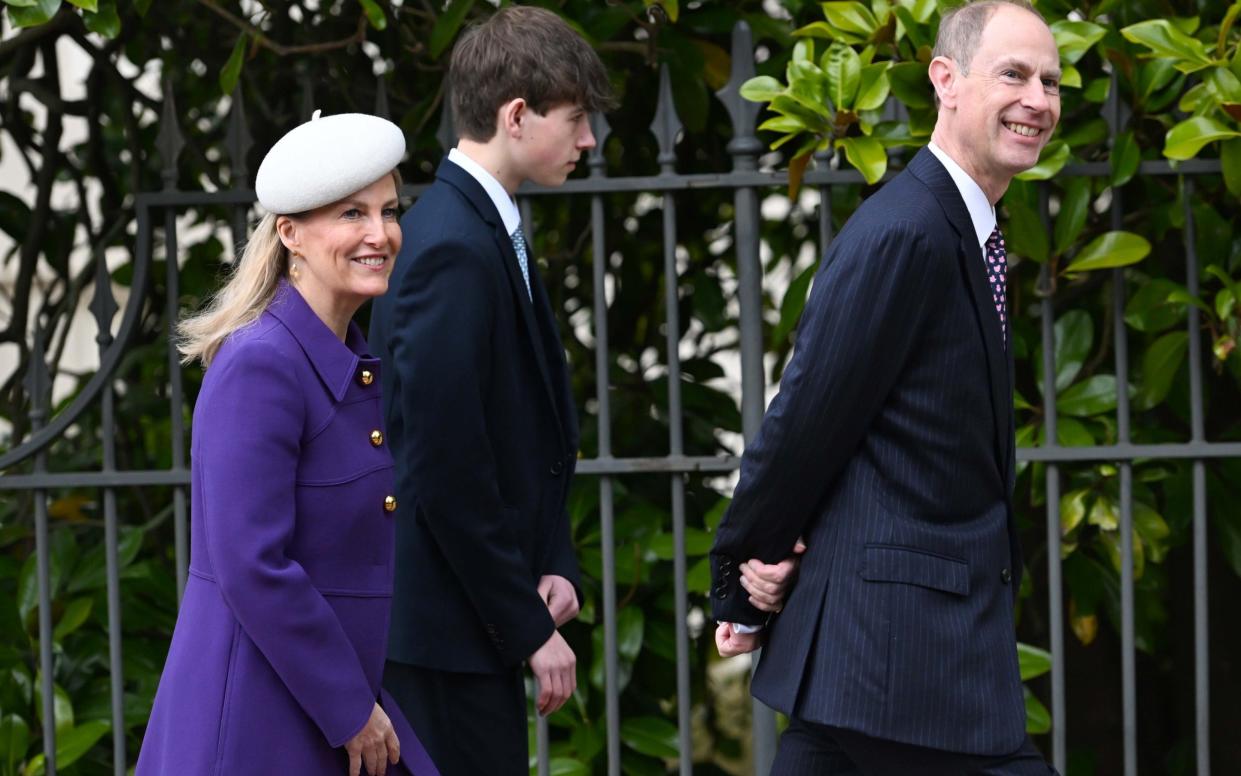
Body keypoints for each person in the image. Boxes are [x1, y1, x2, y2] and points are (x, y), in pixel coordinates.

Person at [708, 1, 1062, 773]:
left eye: (1050, 81)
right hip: (904, 658)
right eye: (1013, 74)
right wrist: (742, 575)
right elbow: (807, 417)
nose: (1038, 99)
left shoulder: (960, 229)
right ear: (946, 79)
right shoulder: (907, 230)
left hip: (886, 653)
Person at [137, 112, 438, 776]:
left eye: (389, 211)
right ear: (291, 234)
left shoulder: (338, 356)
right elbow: (251, 564)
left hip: (319, 703)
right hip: (259, 717)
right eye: (351, 214)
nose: (380, 233)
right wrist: (349, 708)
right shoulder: (262, 363)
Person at [366, 6, 613, 775]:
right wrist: (526, 626)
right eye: (575, 119)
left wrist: (555, 565)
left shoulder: (478, 228)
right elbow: (441, 465)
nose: (588, 141)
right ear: (515, 115)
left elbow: (516, 440)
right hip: (441, 640)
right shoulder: (451, 245)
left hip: (463, 631)